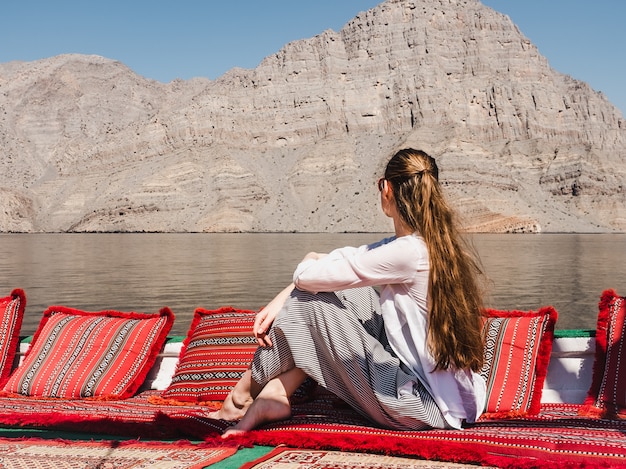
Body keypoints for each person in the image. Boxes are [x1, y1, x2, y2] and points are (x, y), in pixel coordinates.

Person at [209, 148, 487, 436]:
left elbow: (307, 277)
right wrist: (298, 278)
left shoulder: (407, 253)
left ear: (387, 189)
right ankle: (275, 394)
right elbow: (339, 261)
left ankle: (240, 397)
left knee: (307, 303)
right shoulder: (424, 245)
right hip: (452, 399)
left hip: (421, 406)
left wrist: (292, 288)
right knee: (351, 295)